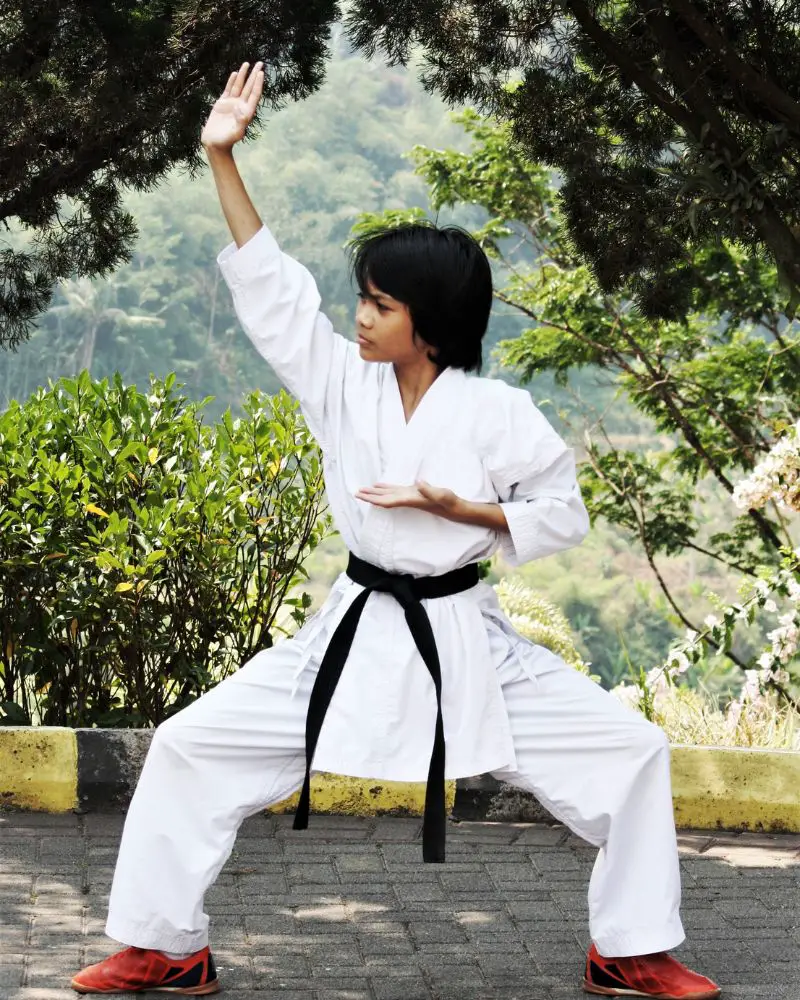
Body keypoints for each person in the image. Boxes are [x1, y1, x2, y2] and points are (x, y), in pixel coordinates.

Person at [71, 62, 721, 1000]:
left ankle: (630, 946)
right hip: (354, 631)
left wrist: (469, 513)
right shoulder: (342, 383)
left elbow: (563, 512)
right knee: (188, 745)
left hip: (469, 643)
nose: (360, 318)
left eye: (379, 305)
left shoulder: (497, 413)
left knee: (631, 753)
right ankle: (166, 943)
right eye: (364, 300)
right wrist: (221, 158)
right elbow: (274, 290)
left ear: (431, 324)